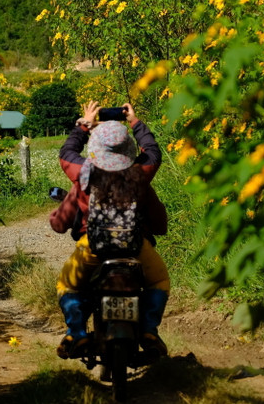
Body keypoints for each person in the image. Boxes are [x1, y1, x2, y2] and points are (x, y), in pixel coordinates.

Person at [49, 101, 170, 360]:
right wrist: (134, 121)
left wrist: (84, 124)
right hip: (135, 247)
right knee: (159, 281)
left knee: (67, 284)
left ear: (95, 150)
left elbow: (67, 152)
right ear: (128, 149)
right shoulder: (140, 173)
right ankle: (149, 331)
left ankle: (77, 333)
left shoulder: (83, 174)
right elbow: (153, 152)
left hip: (93, 246)